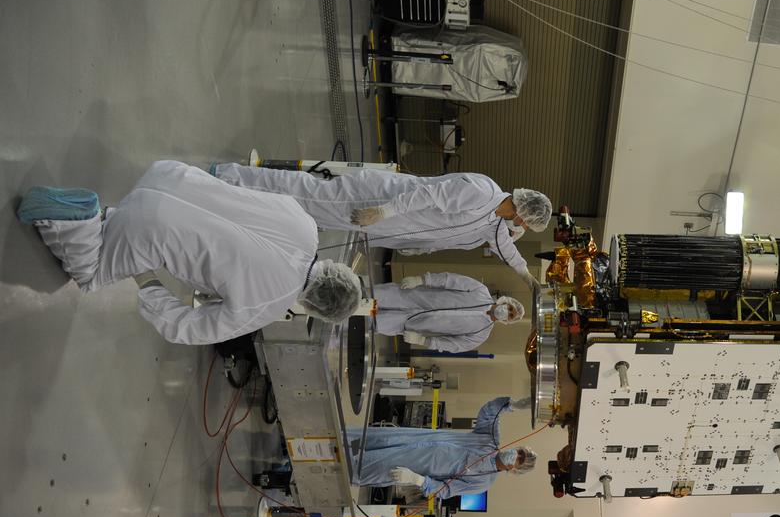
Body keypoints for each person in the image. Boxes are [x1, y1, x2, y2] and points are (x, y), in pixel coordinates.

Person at [17, 161, 362, 345]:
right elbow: (189, 328)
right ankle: (73, 217)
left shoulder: (305, 224)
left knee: (126, 231)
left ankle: (109, 220)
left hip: (172, 176)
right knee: (92, 274)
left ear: (336, 268)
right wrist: (148, 281)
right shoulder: (269, 304)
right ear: (315, 309)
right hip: (154, 227)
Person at [212, 165, 552, 286]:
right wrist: (384, 212)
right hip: (378, 201)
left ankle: (241, 199)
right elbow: (427, 194)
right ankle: (230, 178)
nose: (520, 227)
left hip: (382, 222)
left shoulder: (493, 219)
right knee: (308, 193)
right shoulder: (482, 192)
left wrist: (525, 275)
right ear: (522, 212)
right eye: (525, 223)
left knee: (308, 210)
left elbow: (503, 246)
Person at [348, 396, 537, 498]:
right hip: (407, 439)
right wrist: (515, 405)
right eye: (519, 452)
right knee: (356, 439)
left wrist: (417, 480)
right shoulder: (489, 440)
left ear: (514, 470)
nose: (515, 454)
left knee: (356, 467)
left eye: (519, 460)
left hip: (411, 465)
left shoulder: (483, 482)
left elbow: (446, 489)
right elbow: (490, 412)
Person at [375, 273, 525, 353]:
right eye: (510, 308)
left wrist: (423, 341)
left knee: (369, 323)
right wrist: (421, 279)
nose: (506, 312)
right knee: (370, 295)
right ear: (506, 301)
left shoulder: (481, 334)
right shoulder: (480, 290)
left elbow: (454, 345)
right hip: (410, 296)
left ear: (508, 322)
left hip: (410, 324)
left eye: (510, 315)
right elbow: (450, 280)